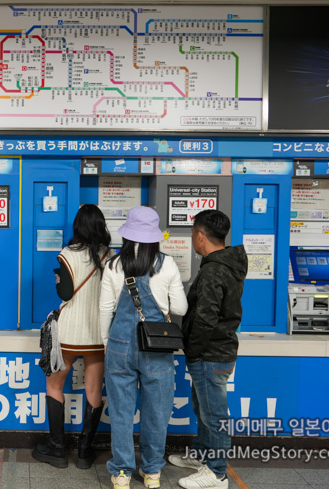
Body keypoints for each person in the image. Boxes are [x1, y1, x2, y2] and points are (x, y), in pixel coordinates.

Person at [99, 206, 188, 489]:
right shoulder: (167, 264)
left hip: (119, 345)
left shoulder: (113, 265)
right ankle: (151, 472)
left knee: (122, 413)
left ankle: (122, 473)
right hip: (156, 347)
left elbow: (105, 310)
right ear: (154, 236)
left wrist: (107, 344)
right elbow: (180, 307)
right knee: (157, 413)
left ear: (127, 234)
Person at [169, 209, 247, 489]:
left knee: (214, 416)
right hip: (216, 351)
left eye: (193, 233)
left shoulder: (214, 269)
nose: (192, 238)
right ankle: (202, 456)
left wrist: (193, 350)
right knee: (204, 408)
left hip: (210, 353)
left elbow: (206, 317)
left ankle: (216, 473)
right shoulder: (225, 263)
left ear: (200, 236)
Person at [33, 204, 112, 469]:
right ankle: (84, 453)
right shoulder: (108, 256)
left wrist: (59, 281)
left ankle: (56, 449)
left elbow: (65, 293)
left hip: (68, 333)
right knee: (93, 390)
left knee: (55, 385)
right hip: (97, 334)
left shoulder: (67, 254)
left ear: (78, 226)